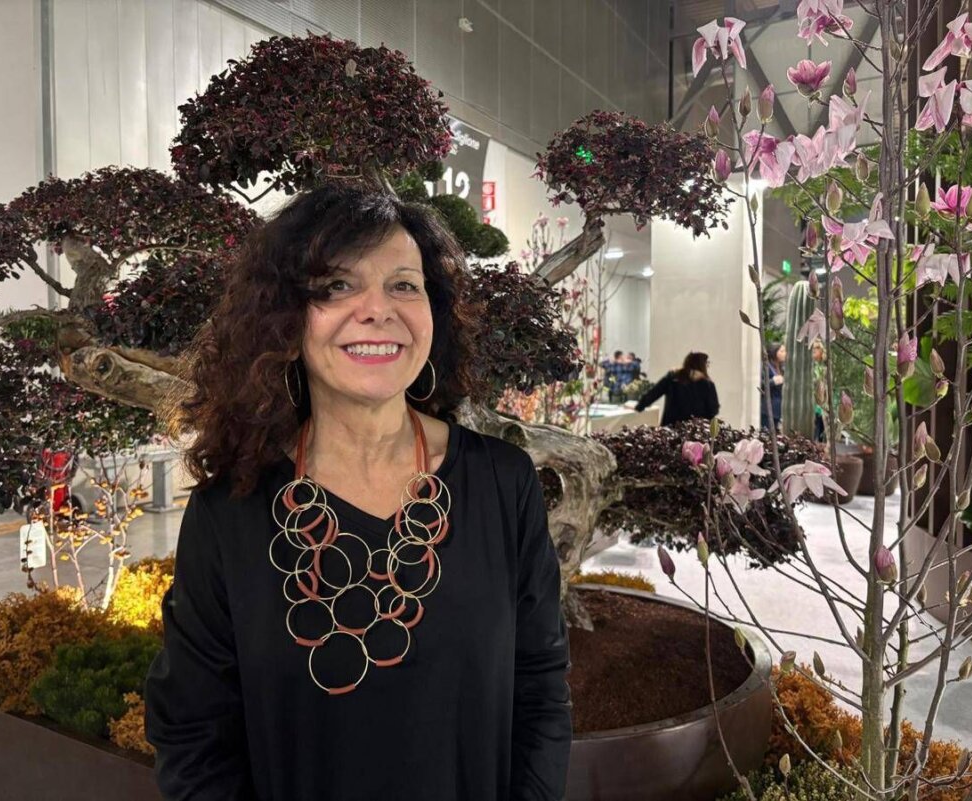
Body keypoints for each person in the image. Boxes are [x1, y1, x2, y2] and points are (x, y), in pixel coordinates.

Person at [144, 185, 572, 800]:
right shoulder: (229, 512)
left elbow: (541, 689)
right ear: (285, 319)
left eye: (404, 285)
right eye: (337, 286)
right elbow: (193, 736)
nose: (377, 309)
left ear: (433, 314)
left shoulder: (504, 483)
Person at [634, 351, 720, 426]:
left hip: (671, 426)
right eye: (707, 363)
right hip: (694, 430)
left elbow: (654, 393)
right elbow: (713, 410)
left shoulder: (673, 377)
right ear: (702, 365)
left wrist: (639, 406)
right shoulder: (708, 384)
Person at [760, 343, 786, 432]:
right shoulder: (766, 366)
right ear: (774, 352)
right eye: (782, 351)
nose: (785, 353)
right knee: (767, 432)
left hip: (778, 409)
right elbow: (761, 384)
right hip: (768, 408)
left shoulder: (782, 367)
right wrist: (773, 381)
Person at [812, 340, 827, 442]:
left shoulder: (825, 366)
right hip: (812, 400)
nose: (814, 350)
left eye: (817, 348)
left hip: (823, 399)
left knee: (822, 426)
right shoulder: (810, 365)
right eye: (813, 348)